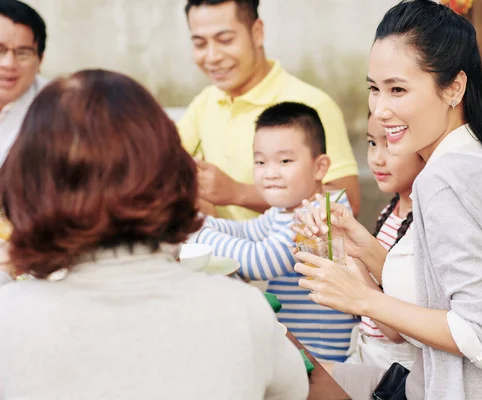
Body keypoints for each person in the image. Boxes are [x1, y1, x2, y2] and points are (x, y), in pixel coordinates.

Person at [0, 69, 308, 400]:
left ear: (28, 182)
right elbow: (294, 392)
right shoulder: (244, 309)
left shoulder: (11, 319)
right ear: (170, 175)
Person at [293, 1, 482, 399]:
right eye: (374, 89)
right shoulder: (474, 160)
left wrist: (361, 297)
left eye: (398, 89)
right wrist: (364, 246)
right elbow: (439, 284)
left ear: (454, 87)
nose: (381, 109)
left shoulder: (442, 180)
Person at [190, 101, 356, 362]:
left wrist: (198, 235)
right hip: (296, 344)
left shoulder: (319, 215)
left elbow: (261, 261)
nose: (270, 173)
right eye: (260, 161)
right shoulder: (286, 209)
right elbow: (245, 231)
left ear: (320, 167)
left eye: (285, 161)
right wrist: (194, 223)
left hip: (322, 354)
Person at [177, 0, 360, 220]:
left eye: (225, 40)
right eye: (199, 44)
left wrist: (237, 192)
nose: (212, 56)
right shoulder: (206, 102)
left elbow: (347, 203)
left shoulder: (312, 104)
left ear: (257, 32)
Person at [342, 111, 424, 370]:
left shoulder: (421, 225)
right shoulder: (390, 212)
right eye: (371, 143)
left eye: (389, 143)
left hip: (396, 367)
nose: (377, 158)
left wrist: (353, 263)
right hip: (368, 351)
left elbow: (396, 330)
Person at [0, 0, 47, 165]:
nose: (9, 64)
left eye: (23, 54)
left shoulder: (61, 107)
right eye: (0, 50)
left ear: (40, 60)